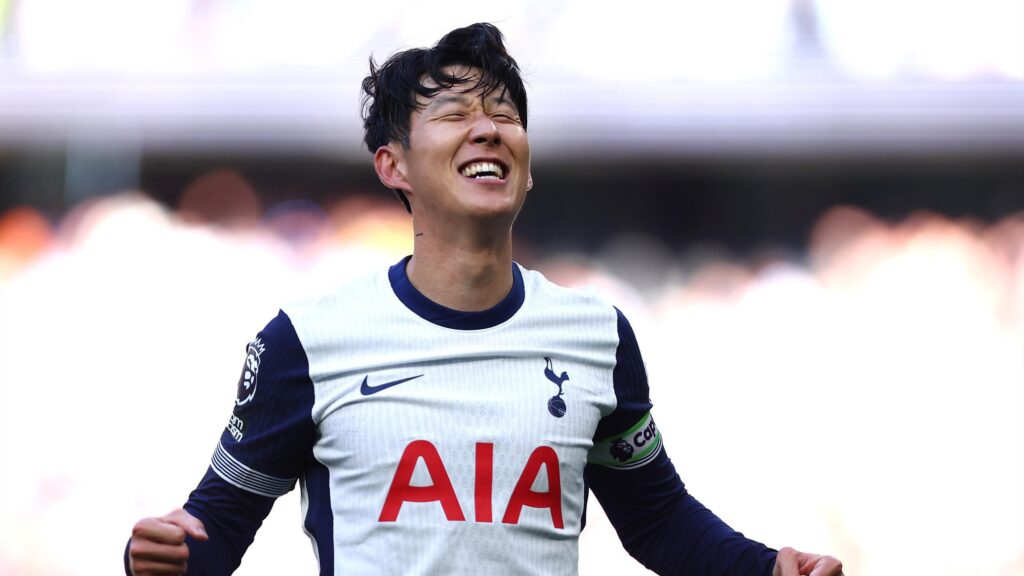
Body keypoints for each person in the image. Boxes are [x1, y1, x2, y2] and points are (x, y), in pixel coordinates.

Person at [127, 23, 843, 576]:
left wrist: (766, 567)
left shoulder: (597, 335)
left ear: (526, 167)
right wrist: (154, 557)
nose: (487, 127)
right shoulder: (305, 342)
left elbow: (658, 522)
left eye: (504, 111)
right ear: (393, 165)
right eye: (453, 113)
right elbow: (212, 532)